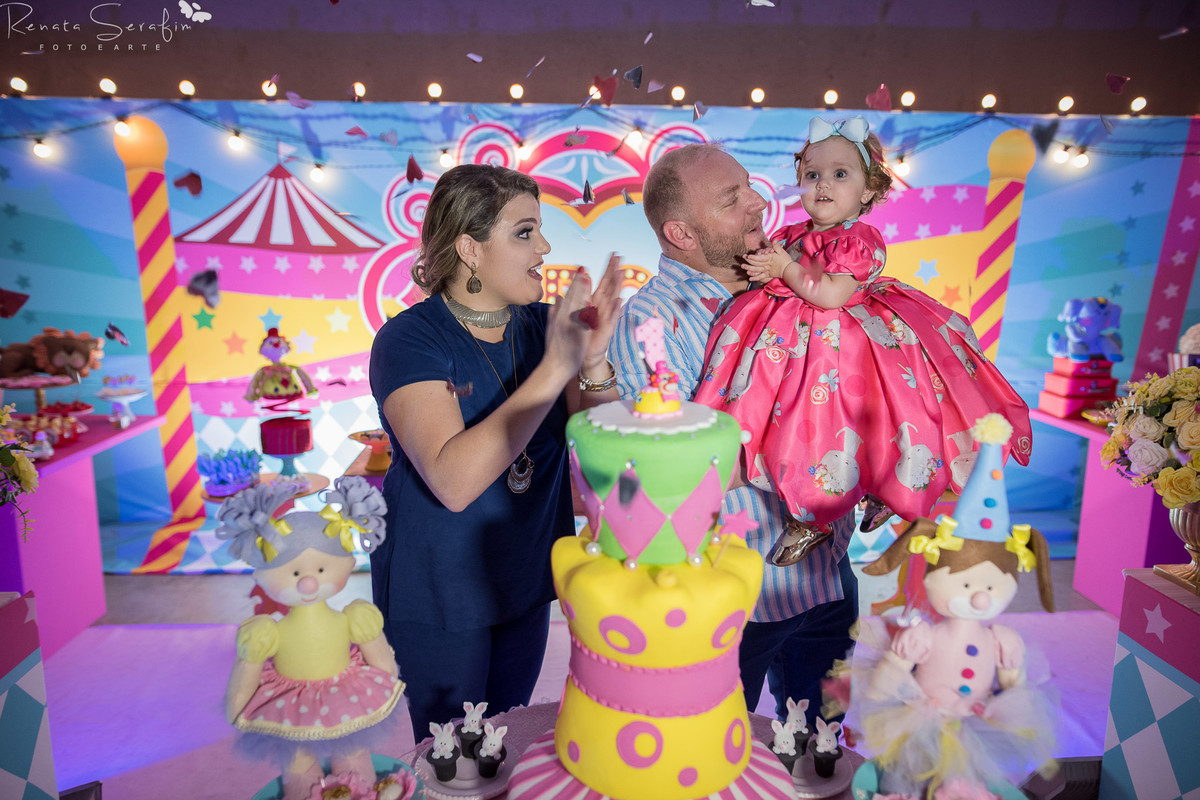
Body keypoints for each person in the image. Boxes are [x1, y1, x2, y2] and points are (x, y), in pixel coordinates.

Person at [692, 116, 1032, 556]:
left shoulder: (858, 240)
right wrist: (764, 270)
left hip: (842, 346)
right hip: (791, 343)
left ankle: (871, 492)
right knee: (787, 420)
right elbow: (776, 274)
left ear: (868, 190)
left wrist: (783, 268)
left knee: (860, 417)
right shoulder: (790, 235)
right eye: (812, 174)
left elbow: (831, 294)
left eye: (840, 174)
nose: (823, 184)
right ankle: (807, 507)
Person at [368, 164, 621, 743]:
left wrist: (592, 361)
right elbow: (454, 482)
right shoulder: (410, 339)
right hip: (439, 591)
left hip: (524, 577)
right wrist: (555, 367)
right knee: (453, 759)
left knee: (504, 743)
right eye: (525, 232)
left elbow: (603, 458)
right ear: (470, 249)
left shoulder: (545, 326)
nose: (545, 247)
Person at [611, 142, 857, 727]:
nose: (757, 202)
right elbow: (673, 474)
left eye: (748, 185)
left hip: (829, 572)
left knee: (819, 745)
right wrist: (804, 446)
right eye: (731, 199)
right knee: (715, 748)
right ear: (681, 233)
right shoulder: (653, 323)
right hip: (735, 597)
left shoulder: (795, 281)